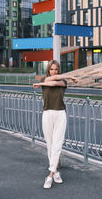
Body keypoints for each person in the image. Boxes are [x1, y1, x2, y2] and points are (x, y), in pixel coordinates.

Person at [33, 60, 78, 189]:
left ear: (59, 70)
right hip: (47, 114)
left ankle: (50, 176)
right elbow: (50, 80)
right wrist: (42, 82)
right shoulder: (44, 78)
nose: (54, 71)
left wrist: (69, 77)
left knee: (57, 145)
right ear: (48, 70)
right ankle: (56, 172)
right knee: (50, 145)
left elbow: (55, 81)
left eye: (56, 69)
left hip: (60, 115)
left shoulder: (63, 82)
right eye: (51, 69)